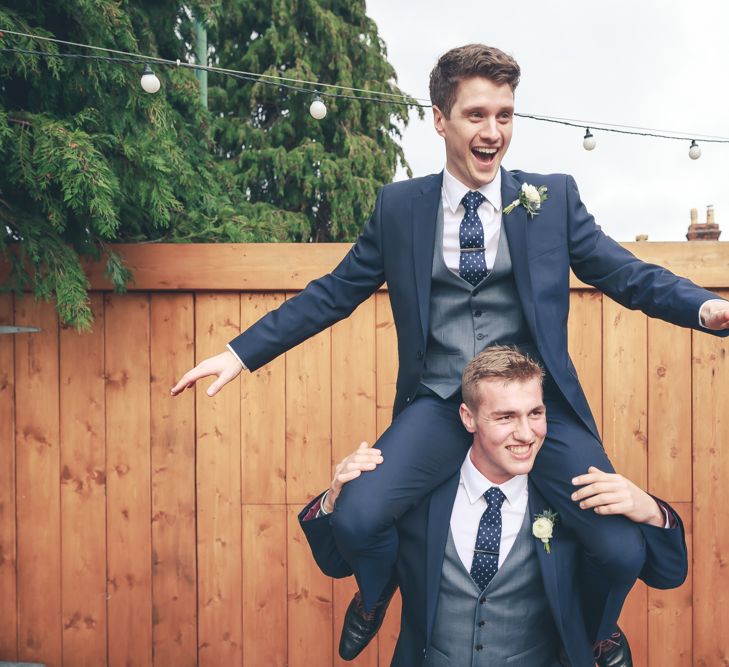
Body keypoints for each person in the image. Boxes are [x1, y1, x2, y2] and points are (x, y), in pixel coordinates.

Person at [170, 43, 729, 663]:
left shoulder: (553, 198)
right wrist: (239, 353)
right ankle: (375, 596)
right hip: (440, 400)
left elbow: (626, 273)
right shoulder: (400, 208)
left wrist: (704, 309)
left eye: (506, 116)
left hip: (530, 408)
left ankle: (599, 628)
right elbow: (333, 293)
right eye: (476, 116)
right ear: (440, 119)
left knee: (622, 548)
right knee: (356, 518)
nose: (494, 133)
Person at [299, 347, 689, 666]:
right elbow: (337, 561)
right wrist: (336, 498)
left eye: (535, 414)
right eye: (505, 417)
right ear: (469, 417)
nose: (526, 433)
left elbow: (667, 574)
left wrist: (652, 510)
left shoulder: (570, 504)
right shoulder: (418, 499)